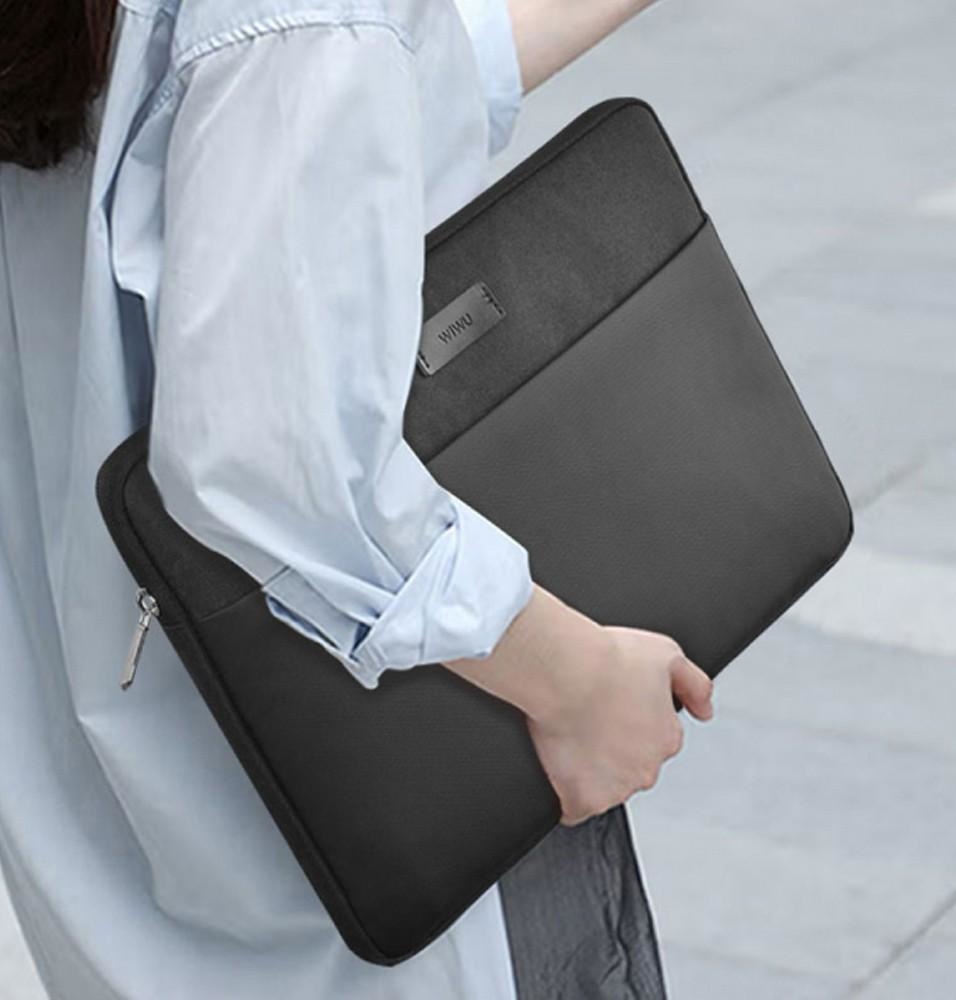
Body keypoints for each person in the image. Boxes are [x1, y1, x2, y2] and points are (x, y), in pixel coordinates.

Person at [0, 0, 715, 997]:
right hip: (363, 796)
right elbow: (270, 462)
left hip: (114, 806)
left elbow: (290, 97)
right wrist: (579, 681)